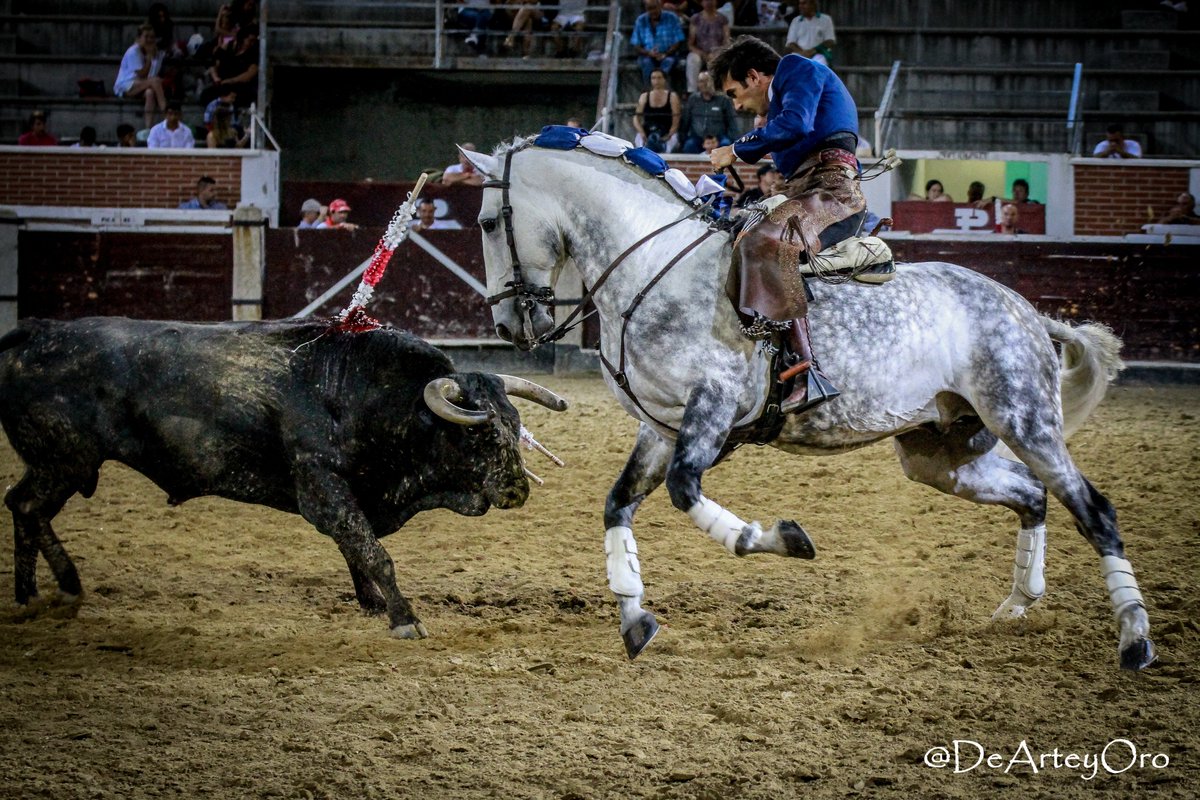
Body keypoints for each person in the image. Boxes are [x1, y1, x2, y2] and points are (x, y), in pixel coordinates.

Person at [708, 36, 864, 414]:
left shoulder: (796, 67)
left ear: (754, 76)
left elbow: (795, 125)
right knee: (740, 237)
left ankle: (809, 372)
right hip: (809, 189)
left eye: (734, 93)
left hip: (832, 191)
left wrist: (736, 149)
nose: (737, 105)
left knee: (769, 241)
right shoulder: (780, 102)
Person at [114, 24, 167, 130]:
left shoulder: (157, 52)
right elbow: (141, 74)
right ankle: (166, 114)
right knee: (155, 81)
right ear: (139, 38)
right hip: (126, 84)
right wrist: (149, 58)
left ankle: (148, 128)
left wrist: (153, 56)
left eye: (152, 37)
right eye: (146, 36)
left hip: (141, 85)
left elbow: (152, 74)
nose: (149, 40)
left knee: (150, 93)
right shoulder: (133, 51)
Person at [679, 70, 738, 153]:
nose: (704, 84)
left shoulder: (723, 100)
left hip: (718, 137)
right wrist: (682, 138)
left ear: (713, 82)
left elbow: (732, 122)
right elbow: (686, 120)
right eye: (701, 81)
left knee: (726, 144)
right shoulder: (693, 99)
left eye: (707, 80)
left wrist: (734, 139)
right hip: (698, 137)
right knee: (689, 145)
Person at [630, 0, 686, 88]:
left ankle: (663, 92)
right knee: (647, 63)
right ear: (645, 9)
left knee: (668, 62)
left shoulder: (672, 17)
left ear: (660, 6)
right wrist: (649, 53)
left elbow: (678, 40)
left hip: (669, 54)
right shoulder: (641, 20)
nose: (653, 11)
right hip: (647, 55)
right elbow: (636, 44)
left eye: (654, 8)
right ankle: (649, 93)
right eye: (649, 9)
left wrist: (665, 54)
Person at [201, 24, 259, 107]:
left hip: (240, 86)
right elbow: (214, 63)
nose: (252, 43)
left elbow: (249, 75)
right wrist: (216, 77)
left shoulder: (253, 53)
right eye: (250, 40)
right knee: (206, 95)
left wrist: (231, 81)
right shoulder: (228, 46)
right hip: (222, 84)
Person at [685, 0, 730, 94]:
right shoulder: (695, 19)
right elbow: (690, 44)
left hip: (718, 52)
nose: (709, 2)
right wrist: (702, 54)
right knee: (692, 59)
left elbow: (726, 41)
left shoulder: (723, 19)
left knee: (721, 61)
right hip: (699, 52)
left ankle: (718, 93)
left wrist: (718, 52)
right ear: (701, 2)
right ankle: (692, 91)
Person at [632, 68, 681, 153]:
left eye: (659, 78)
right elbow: (636, 118)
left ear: (664, 80)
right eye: (653, 78)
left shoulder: (672, 96)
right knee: (640, 145)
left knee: (668, 148)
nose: (656, 81)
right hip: (647, 131)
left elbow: (676, 119)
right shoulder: (644, 96)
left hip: (667, 132)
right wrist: (642, 132)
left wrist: (669, 134)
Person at [784, 0, 836, 66]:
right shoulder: (796, 21)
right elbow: (790, 42)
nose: (800, 6)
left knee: (819, 66)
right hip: (799, 53)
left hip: (819, 54)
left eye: (804, 3)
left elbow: (830, 40)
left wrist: (813, 51)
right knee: (793, 66)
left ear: (813, 4)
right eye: (800, 4)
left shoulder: (826, 19)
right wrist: (803, 53)